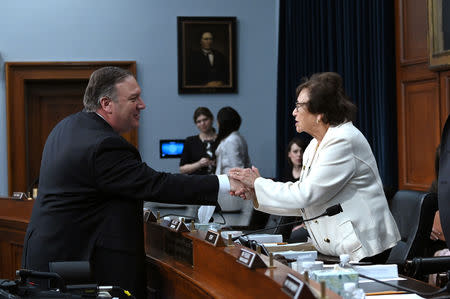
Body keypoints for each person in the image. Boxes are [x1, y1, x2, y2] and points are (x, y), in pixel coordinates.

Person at [21, 67, 243, 299]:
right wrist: (227, 183)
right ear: (107, 104)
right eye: (133, 98)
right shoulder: (103, 145)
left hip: (54, 260)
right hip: (76, 267)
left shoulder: (67, 126)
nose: (142, 104)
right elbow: (156, 184)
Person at [230, 72, 400, 262]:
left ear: (319, 114)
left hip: (363, 246)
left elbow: (305, 194)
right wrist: (256, 192)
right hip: (337, 247)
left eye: (299, 106)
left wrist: (259, 184)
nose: (294, 112)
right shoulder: (314, 144)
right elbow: (306, 205)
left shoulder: (343, 140)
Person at [215, 107, 251, 212]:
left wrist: (240, 188)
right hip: (230, 186)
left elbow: (237, 167)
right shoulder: (237, 137)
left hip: (231, 187)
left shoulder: (231, 140)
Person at [179, 107, 217, 175]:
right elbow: (182, 169)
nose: (202, 123)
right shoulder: (190, 141)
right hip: (197, 183)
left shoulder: (222, 140)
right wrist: (199, 164)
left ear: (212, 119)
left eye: (205, 119)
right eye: (198, 121)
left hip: (220, 182)